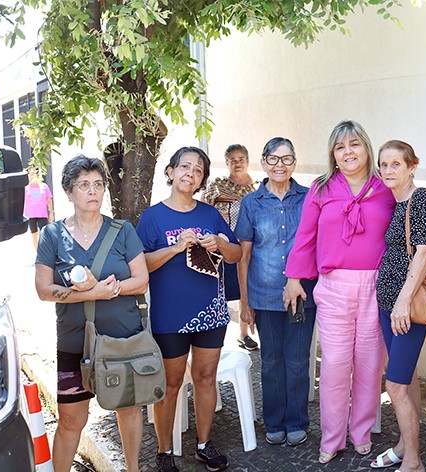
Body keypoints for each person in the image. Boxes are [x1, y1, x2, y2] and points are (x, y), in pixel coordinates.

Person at [283, 120, 395, 464]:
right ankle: (332, 438)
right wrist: (294, 278)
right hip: (333, 287)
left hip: (375, 286)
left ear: (366, 148)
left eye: (354, 144)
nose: (348, 152)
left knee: (369, 364)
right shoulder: (321, 188)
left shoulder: (385, 187)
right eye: (340, 147)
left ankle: (361, 432)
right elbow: (305, 236)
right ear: (333, 154)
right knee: (334, 365)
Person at [35, 155, 147, 472]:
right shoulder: (52, 235)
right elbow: (43, 289)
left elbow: (141, 280)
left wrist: (110, 289)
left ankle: (133, 469)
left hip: (122, 340)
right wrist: (88, 293)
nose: (92, 191)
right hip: (75, 344)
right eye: (84, 185)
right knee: (71, 419)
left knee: (128, 409)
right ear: (69, 192)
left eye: (98, 184)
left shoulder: (122, 230)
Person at [135, 146, 241, 472]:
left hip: (211, 312)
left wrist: (219, 243)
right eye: (184, 166)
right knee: (170, 384)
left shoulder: (210, 214)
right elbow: (140, 265)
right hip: (170, 317)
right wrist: (175, 247)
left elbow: (235, 254)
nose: (190, 173)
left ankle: (204, 445)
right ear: (170, 172)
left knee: (206, 378)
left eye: (198, 170)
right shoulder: (153, 217)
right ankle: (164, 452)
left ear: (201, 180)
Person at [234, 137, 316, 447]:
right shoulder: (251, 203)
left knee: (297, 360)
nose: (279, 165)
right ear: (264, 162)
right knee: (270, 361)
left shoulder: (308, 198)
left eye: (286, 159)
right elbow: (244, 256)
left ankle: (296, 420)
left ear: (294, 163)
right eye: (273, 159)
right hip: (265, 296)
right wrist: (245, 302)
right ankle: (273, 420)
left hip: (301, 296)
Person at [371, 140, 426, 472]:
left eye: (395, 164)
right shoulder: (396, 201)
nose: (388, 170)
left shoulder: (421, 198)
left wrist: (401, 302)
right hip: (389, 305)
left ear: (412, 166)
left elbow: (425, 253)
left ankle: (413, 461)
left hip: (408, 308)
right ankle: (404, 445)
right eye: (383, 165)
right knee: (407, 377)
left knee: (395, 384)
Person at [203, 144, 260, 351]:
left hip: (249, 247)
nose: (237, 163)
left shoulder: (257, 190)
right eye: (232, 160)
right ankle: (213, 336)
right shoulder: (217, 187)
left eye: (241, 159)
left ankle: (244, 334)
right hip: (223, 247)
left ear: (248, 161)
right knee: (220, 289)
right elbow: (204, 211)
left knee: (246, 289)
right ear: (226, 163)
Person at [25, 166, 54, 250]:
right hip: (31, 215)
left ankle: (46, 251)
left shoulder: (44, 186)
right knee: (34, 234)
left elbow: (49, 200)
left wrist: (51, 213)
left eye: (34, 174)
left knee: (44, 234)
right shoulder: (26, 188)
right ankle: (37, 251)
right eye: (31, 174)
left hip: (42, 214)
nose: (32, 176)